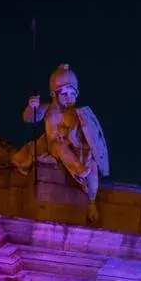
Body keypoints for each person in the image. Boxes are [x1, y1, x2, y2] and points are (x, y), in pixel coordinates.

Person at [18, 64, 109, 201]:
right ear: (54, 94)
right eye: (64, 93)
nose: (69, 97)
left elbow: (88, 134)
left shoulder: (78, 113)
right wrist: (32, 107)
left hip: (75, 147)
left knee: (91, 163)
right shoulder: (47, 109)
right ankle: (78, 168)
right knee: (59, 146)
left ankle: (91, 202)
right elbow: (30, 117)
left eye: (73, 93)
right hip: (53, 146)